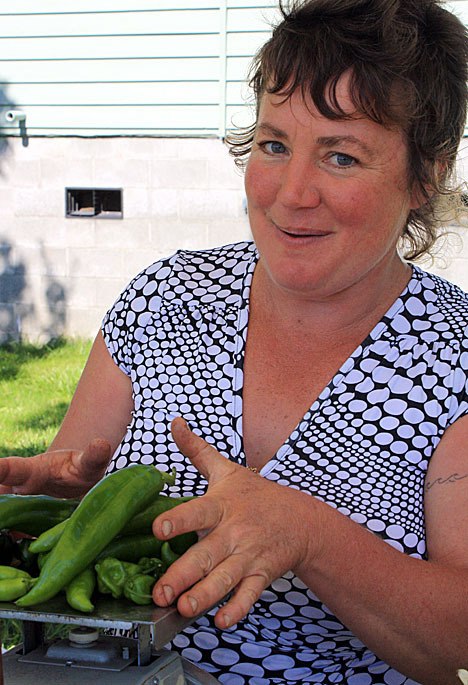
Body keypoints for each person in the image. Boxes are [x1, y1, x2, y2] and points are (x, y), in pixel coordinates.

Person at [1, 0, 468, 682]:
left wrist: (305, 534)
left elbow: (457, 638)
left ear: (426, 173)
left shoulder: (453, 352)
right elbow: (69, 520)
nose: (290, 192)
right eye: (274, 144)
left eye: (340, 155)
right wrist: (61, 503)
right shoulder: (165, 301)